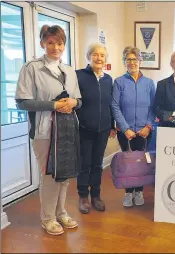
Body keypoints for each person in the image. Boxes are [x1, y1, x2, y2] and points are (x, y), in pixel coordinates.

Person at [15, 25, 81, 235]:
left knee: (64, 174)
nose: (55, 47)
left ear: (64, 45)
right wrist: (53, 105)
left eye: (60, 43)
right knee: (50, 175)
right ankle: (48, 218)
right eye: (50, 42)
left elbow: (78, 100)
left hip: (67, 129)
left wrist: (74, 102)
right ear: (42, 43)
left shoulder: (69, 70)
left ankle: (61, 212)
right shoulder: (32, 68)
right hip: (44, 131)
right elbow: (22, 102)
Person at [111, 46, 156, 208]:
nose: (132, 62)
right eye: (128, 59)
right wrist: (125, 128)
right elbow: (115, 106)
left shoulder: (149, 83)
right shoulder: (119, 82)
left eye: (135, 59)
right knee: (128, 162)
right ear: (124, 62)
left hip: (144, 131)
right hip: (126, 132)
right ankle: (128, 193)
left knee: (141, 161)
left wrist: (148, 126)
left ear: (140, 61)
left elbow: (154, 107)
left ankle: (139, 191)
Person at [76, 43, 116, 214]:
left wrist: (112, 125)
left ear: (105, 59)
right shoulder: (79, 76)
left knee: (97, 164)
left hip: (104, 129)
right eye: (95, 54)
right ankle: (83, 196)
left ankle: (96, 195)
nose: (99, 58)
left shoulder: (108, 79)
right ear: (89, 56)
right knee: (85, 164)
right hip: (84, 128)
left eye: (102, 55)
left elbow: (111, 104)